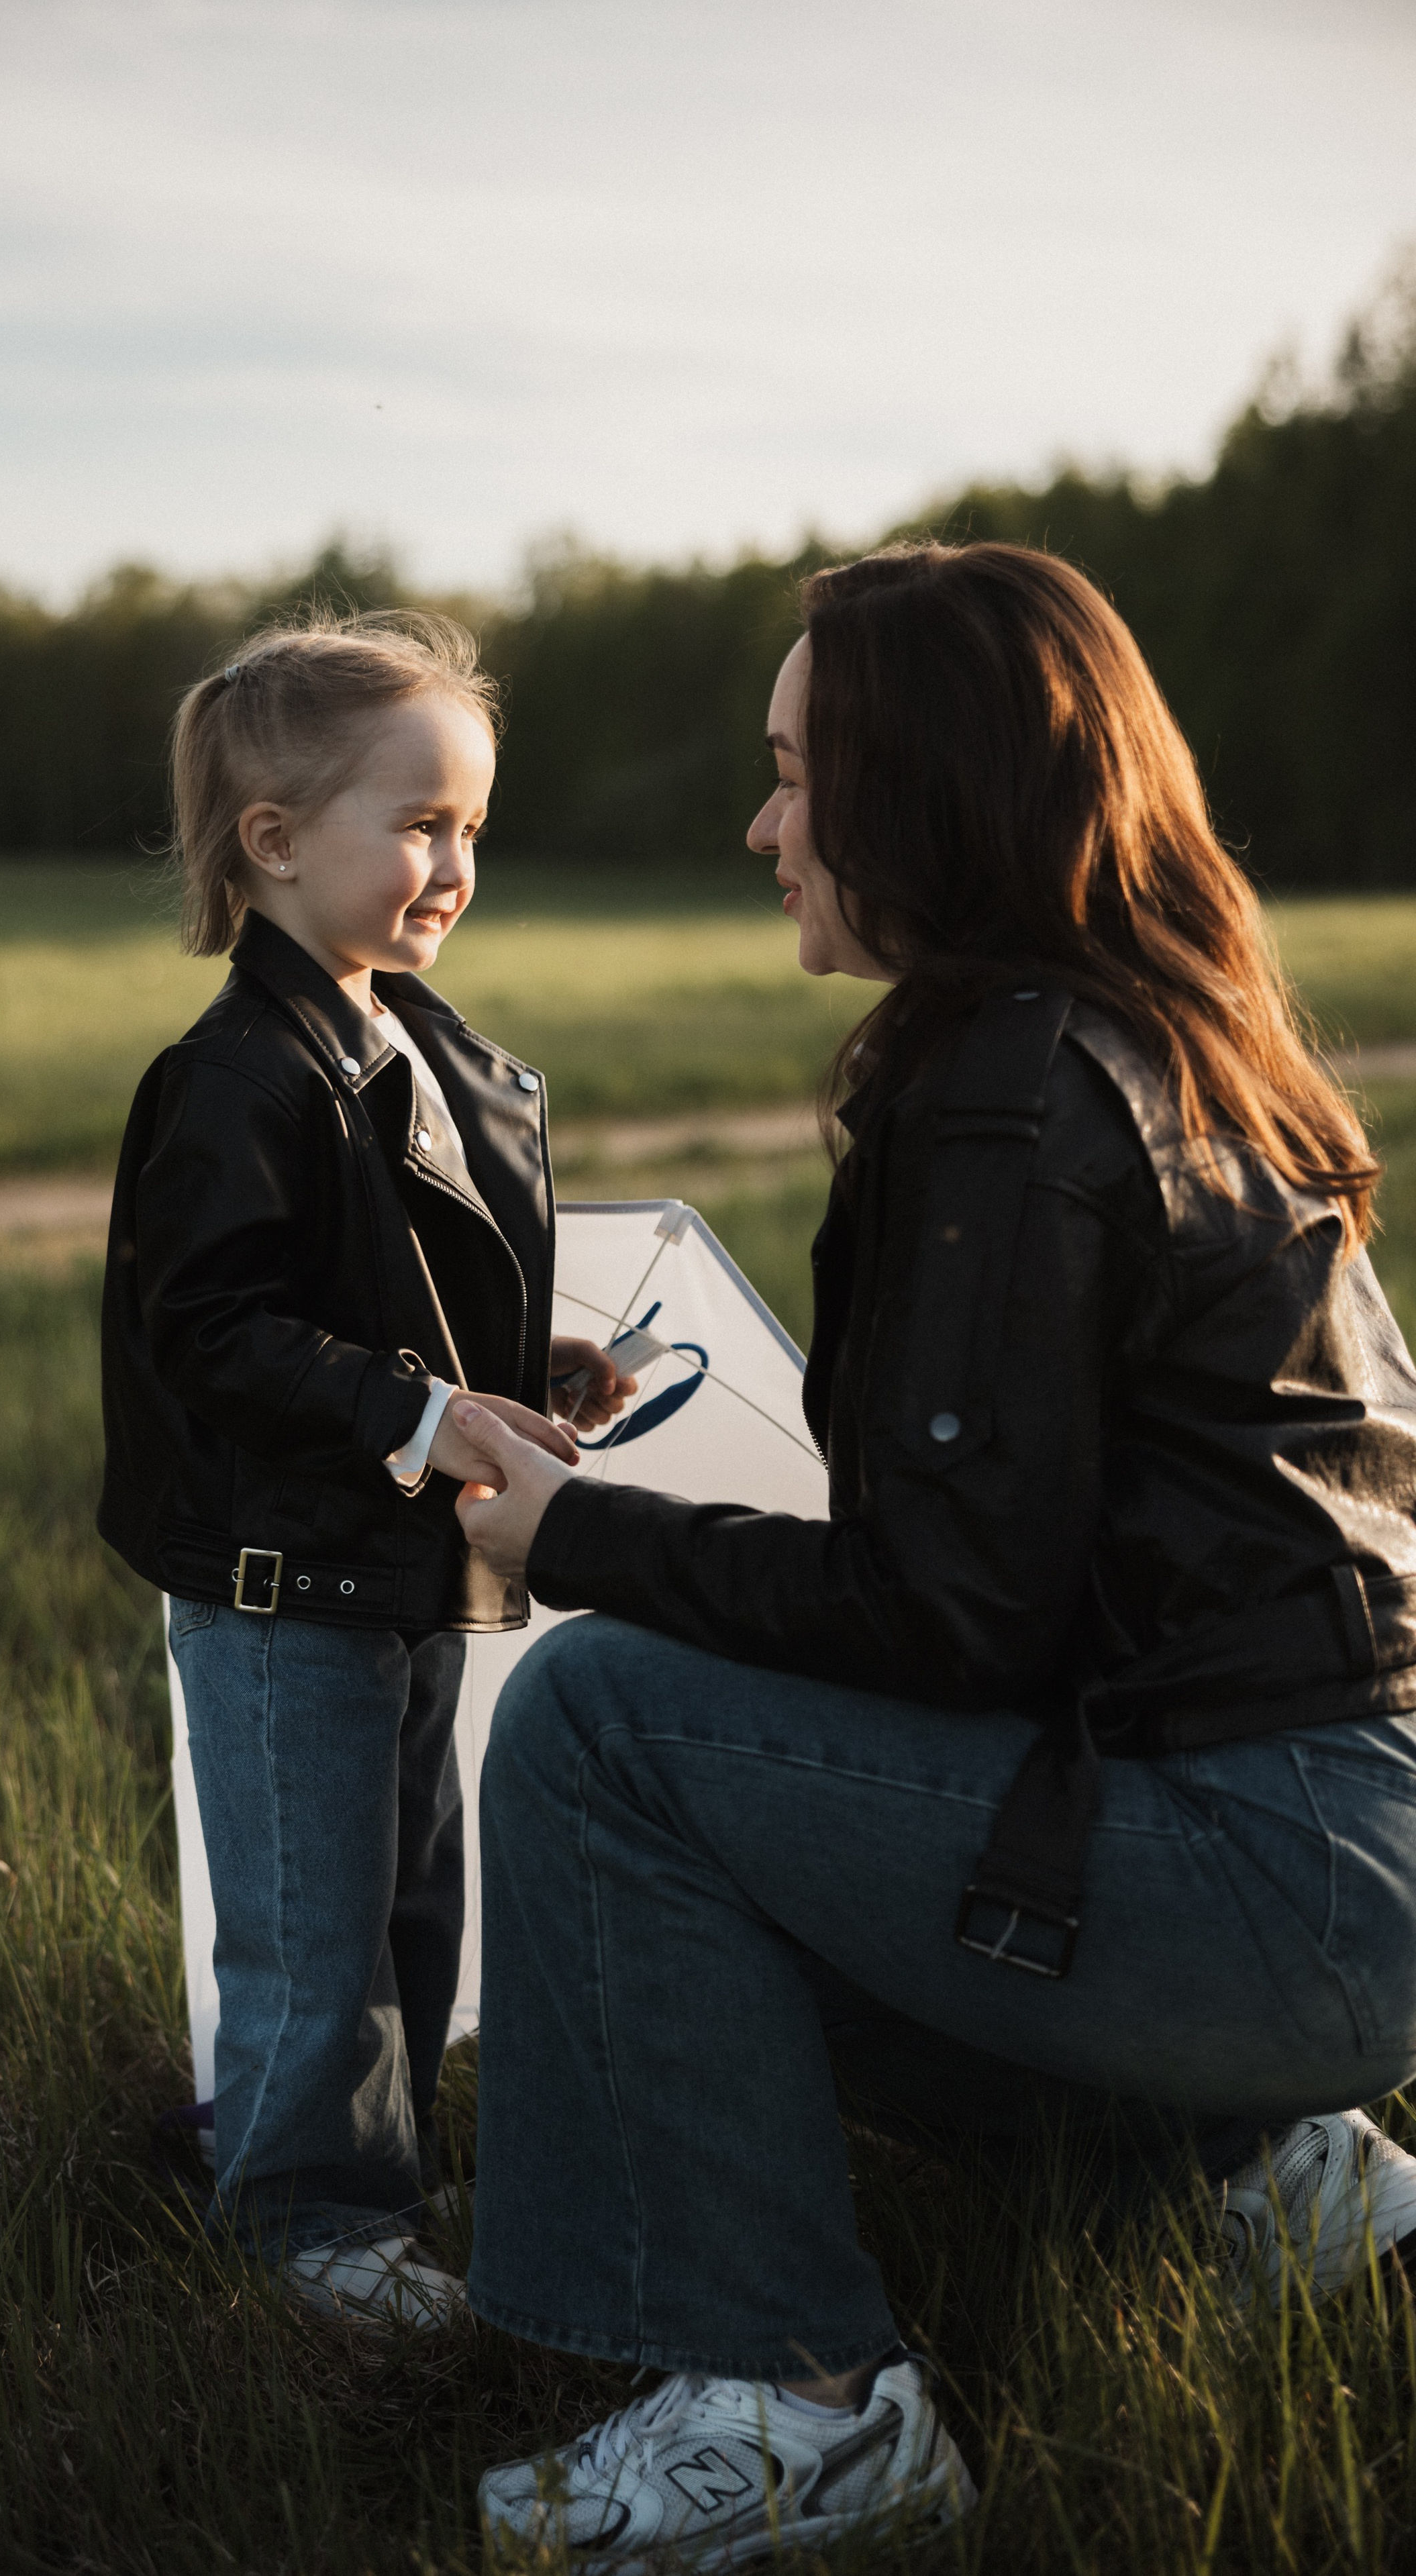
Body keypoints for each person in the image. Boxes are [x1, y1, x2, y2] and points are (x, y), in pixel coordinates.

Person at [445, 544, 1416, 2559]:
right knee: (753, 1833)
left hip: (1285, 1871)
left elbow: (952, 1623)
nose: (763, 823)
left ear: (937, 791)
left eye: (801, 772)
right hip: (1345, 1849)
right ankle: (1268, 2177)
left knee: (600, 1723)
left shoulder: (1006, 1090)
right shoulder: (1167, 1032)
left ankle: (799, 2406)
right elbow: (1036, 1580)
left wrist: (581, 1530)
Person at [96, 611, 632, 2329]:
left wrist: (507, 1370)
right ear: (272, 839)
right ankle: (296, 2218)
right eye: (418, 822)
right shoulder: (238, 1074)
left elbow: (373, 1291)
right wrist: (424, 1415)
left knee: (409, 1898)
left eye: (472, 824)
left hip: (387, 1564)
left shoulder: (404, 1040)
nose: (454, 861)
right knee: (308, 1923)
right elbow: (215, 1329)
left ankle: (379, 2178)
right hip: (277, 1588)